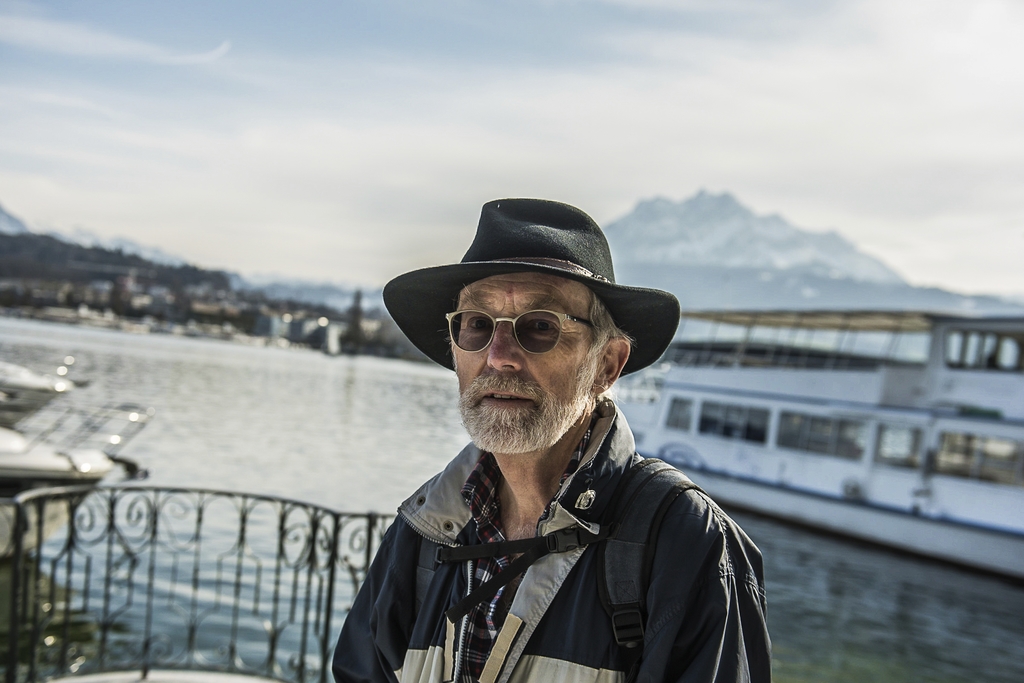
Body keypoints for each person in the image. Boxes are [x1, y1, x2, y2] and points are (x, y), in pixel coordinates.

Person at [333, 199, 771, 683]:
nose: (499, 357)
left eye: (540, 327)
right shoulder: (423, 530)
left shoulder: (688, 545)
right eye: (477, 325)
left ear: (607, 365)